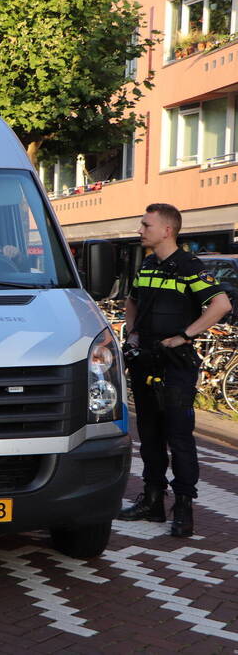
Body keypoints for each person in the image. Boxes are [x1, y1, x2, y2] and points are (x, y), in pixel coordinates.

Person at [118, 203, 231, 537]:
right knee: (149, 435)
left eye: (146, 225)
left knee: (179, 437)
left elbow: (221, 304)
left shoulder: (189, 267)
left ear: (167, 230)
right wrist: (132, 331)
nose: (140, 230)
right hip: (145, 361)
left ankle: (183, 507)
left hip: (174, 367)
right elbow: (133, 300)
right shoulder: (148, 264)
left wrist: (184, 336)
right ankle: (152, 502)